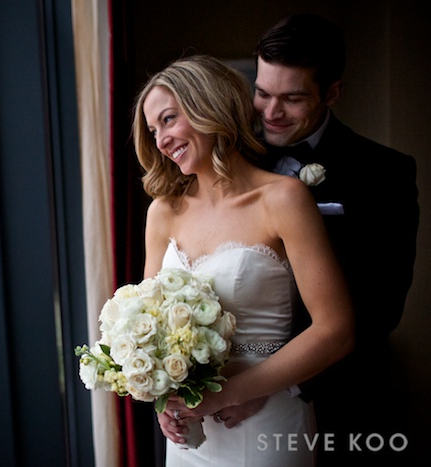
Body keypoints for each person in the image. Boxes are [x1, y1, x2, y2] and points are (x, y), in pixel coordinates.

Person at [133, 54, 355, 466]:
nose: (160, 140)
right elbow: (152, 330)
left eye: (168, 120)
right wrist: (162, 401)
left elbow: (335, 330)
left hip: (264, 423)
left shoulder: (283, 199)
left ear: (208, 106)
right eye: (152, 130)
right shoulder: (162, 212)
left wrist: (235, 392)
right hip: (189, 438)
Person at [220, 13, 420, 463]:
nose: (270, 113)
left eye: (292, 99)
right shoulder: (230, 162)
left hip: (337, 401)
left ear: (331, 93)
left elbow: (380, 308)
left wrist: (276, 385)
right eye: (262, 92)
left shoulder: (385, 173)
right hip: (226, 394)